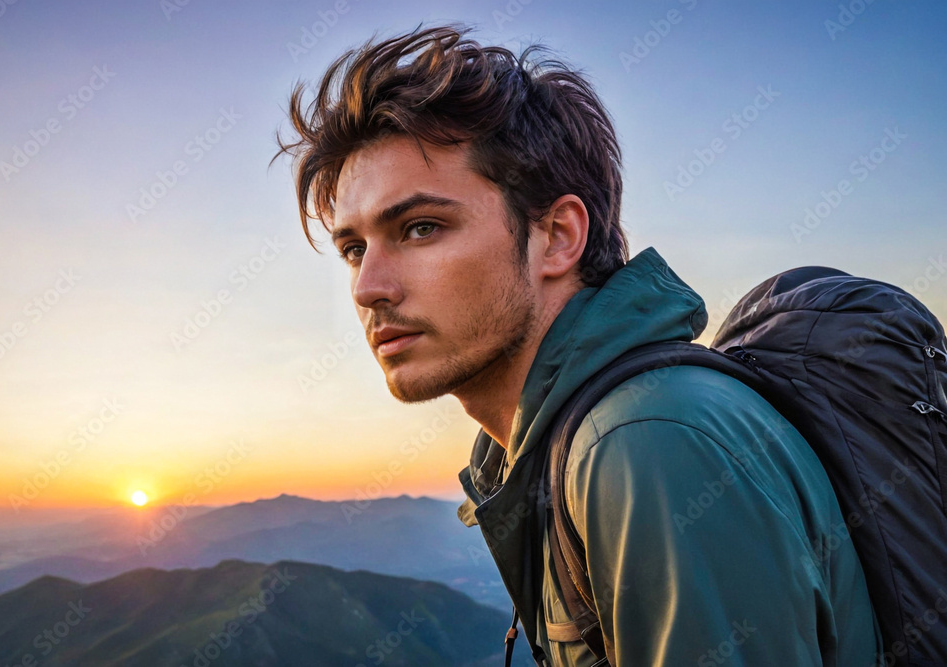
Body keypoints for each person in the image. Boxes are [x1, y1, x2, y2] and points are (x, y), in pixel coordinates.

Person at [274, 24, 882, 666]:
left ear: (558, 236)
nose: (369, 287)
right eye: (352, 249)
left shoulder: (645, 440)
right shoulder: (563, 443)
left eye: (421, 228)